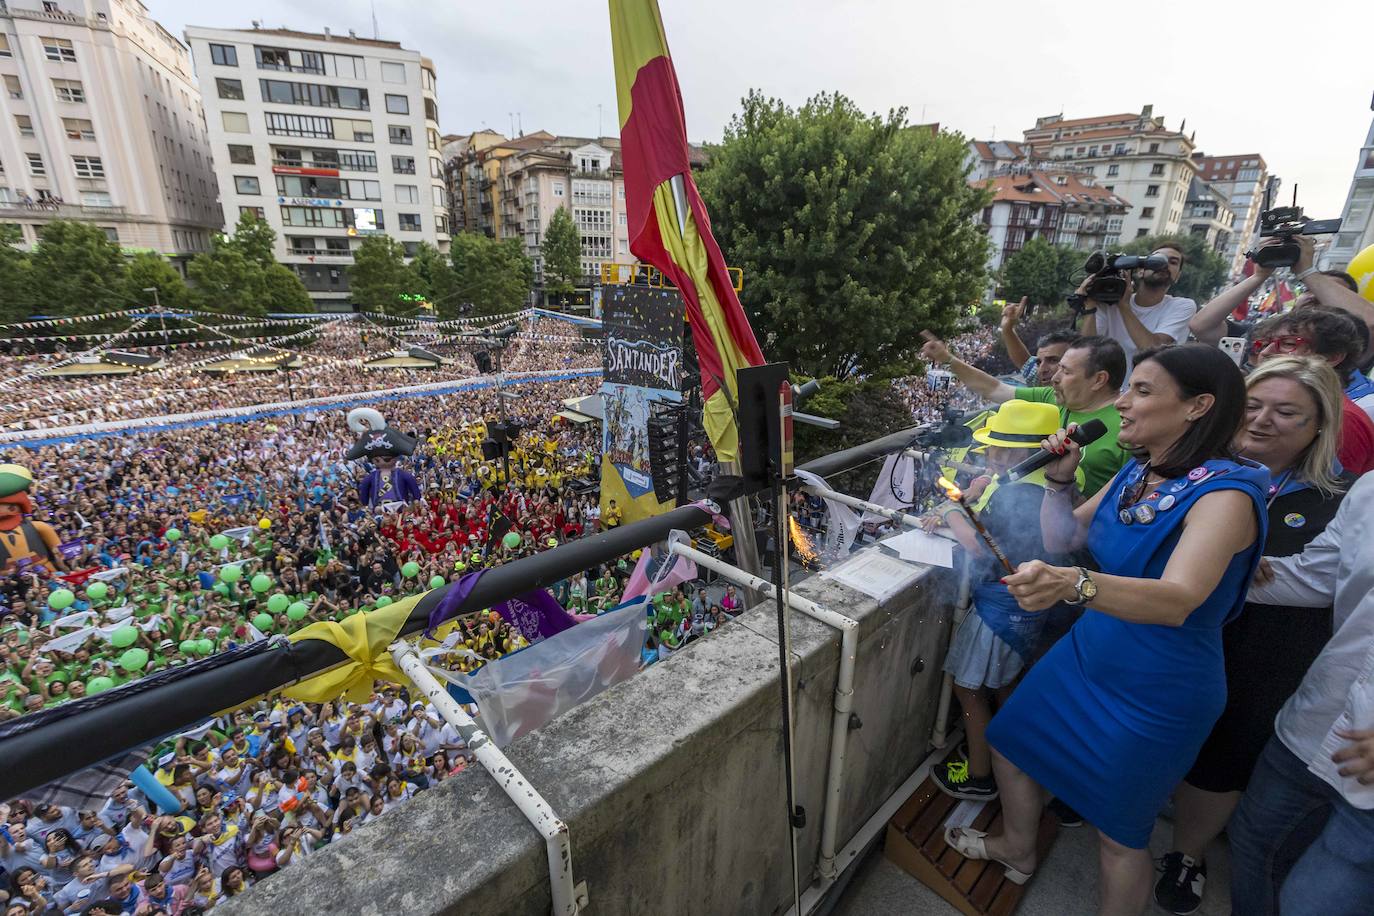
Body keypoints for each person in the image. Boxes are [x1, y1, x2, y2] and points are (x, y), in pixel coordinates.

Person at [947, 344, 1268, 915]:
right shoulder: (1137, 467)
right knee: (1011, 744)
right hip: (1089, 652)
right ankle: (1018, 849)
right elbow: (1064, 539)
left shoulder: (1225, 495)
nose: (1121, 402)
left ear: (1198, 406)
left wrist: (1074, 586)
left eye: (1142, 391)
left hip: (1158, 686)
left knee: (1118, 834)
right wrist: (1059, 482)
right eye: (1128, 389)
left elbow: (1178, 600)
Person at [1153, 356, 1351, 914]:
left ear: (1319, 426)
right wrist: (1238, 560)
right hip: (1175, 637)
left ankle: (1186, 854)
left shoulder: (1339, 498)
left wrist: (1226, 558)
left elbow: (1315, 582)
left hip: (1262, 654)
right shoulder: (1192, 468)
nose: (1262, 420)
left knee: (1222, 757)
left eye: (1286, 412)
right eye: (1254, 405)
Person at [1227, 471, 1374, 916]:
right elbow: (1316, 577)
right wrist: (1217, 565)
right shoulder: (1369, 489)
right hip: (1313, 724)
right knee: (1253, 844)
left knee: (1310, 903)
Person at [930, 400, 1068, 801]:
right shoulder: (1046, 486)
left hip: (1000, 610)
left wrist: (952, 511)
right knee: (1006, 684)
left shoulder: (1022, 493)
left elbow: (979, 547)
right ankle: (1011, 756)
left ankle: (979, 774)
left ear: (1023, 453)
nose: (989, 456)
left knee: (966, 688)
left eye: (997, 448)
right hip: (1028, 607)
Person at [920, 331, 1130, 496]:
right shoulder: (1051, 397)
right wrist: (948, 359)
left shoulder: (1128, 428)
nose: (1054, 378)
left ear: (1098, 380)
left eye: (1066, 372)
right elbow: (994, 389)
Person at [1247, 306, 1374, 473]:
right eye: (1251, 407)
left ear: (1332, 357)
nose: (1265, 353)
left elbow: (1331, 492)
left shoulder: (1344, 420)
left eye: (1288, 344)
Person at [1080, 242, 1197, 372]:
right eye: (1156, 260)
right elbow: (1087, 350)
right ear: (1141, 270)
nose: (1164, 264)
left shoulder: (1182, 306)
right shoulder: (1109, 302)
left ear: (1178, 276)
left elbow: (1154, 350)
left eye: (1173, 262)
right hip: (1109, 388)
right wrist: (1090, 305)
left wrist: (1124, 306)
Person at [997, 298, 1079, 386]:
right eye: (1038, 363)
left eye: (1053, 360)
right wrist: (1007, 329)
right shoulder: (1041, 383)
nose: (1042, 369)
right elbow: (1024, 362)